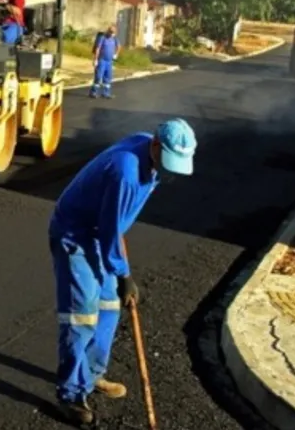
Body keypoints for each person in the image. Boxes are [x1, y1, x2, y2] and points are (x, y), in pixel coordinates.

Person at [47, 118, 197, 424]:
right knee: (83, 316)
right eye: (169, 160)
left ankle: (91, 375)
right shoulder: (126, 172)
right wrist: (124, 275)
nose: (170, 171)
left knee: (110, 307)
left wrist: (117, 268)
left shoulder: (146, 147)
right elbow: (109, 230)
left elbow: (112, 223)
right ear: (156, 145)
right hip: (76, 235)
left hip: (101, 231)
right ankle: (71, 394)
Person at [90, 25, 121, 99]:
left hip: (109, 61)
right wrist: (96, 59)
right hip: (102, 60)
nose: (111, 34)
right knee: (98, 76)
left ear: (115, 33)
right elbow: (98, 48)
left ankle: (106, 93)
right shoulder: (102, 37)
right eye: (110, 32)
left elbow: (119, 46)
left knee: (108, 77)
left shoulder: (115, 38)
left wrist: (116, 54)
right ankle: (93, 92)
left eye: (113, 33)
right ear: (108, 31)